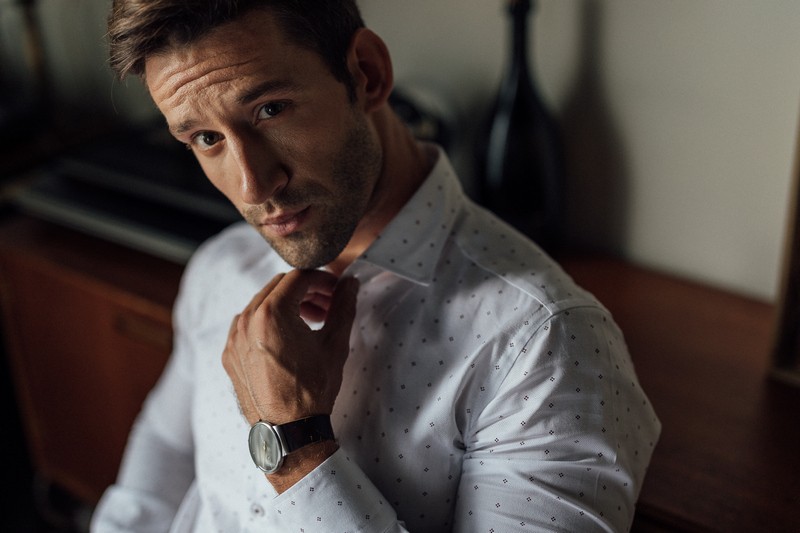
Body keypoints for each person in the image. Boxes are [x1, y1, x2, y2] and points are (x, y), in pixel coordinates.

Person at [92, 1, 660, 531]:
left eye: (270, 110)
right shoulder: (220, 263)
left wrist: (296, 445)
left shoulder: (547, 345)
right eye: (205, 138)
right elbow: (164, 454)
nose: (252, 186)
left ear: (367, 73)